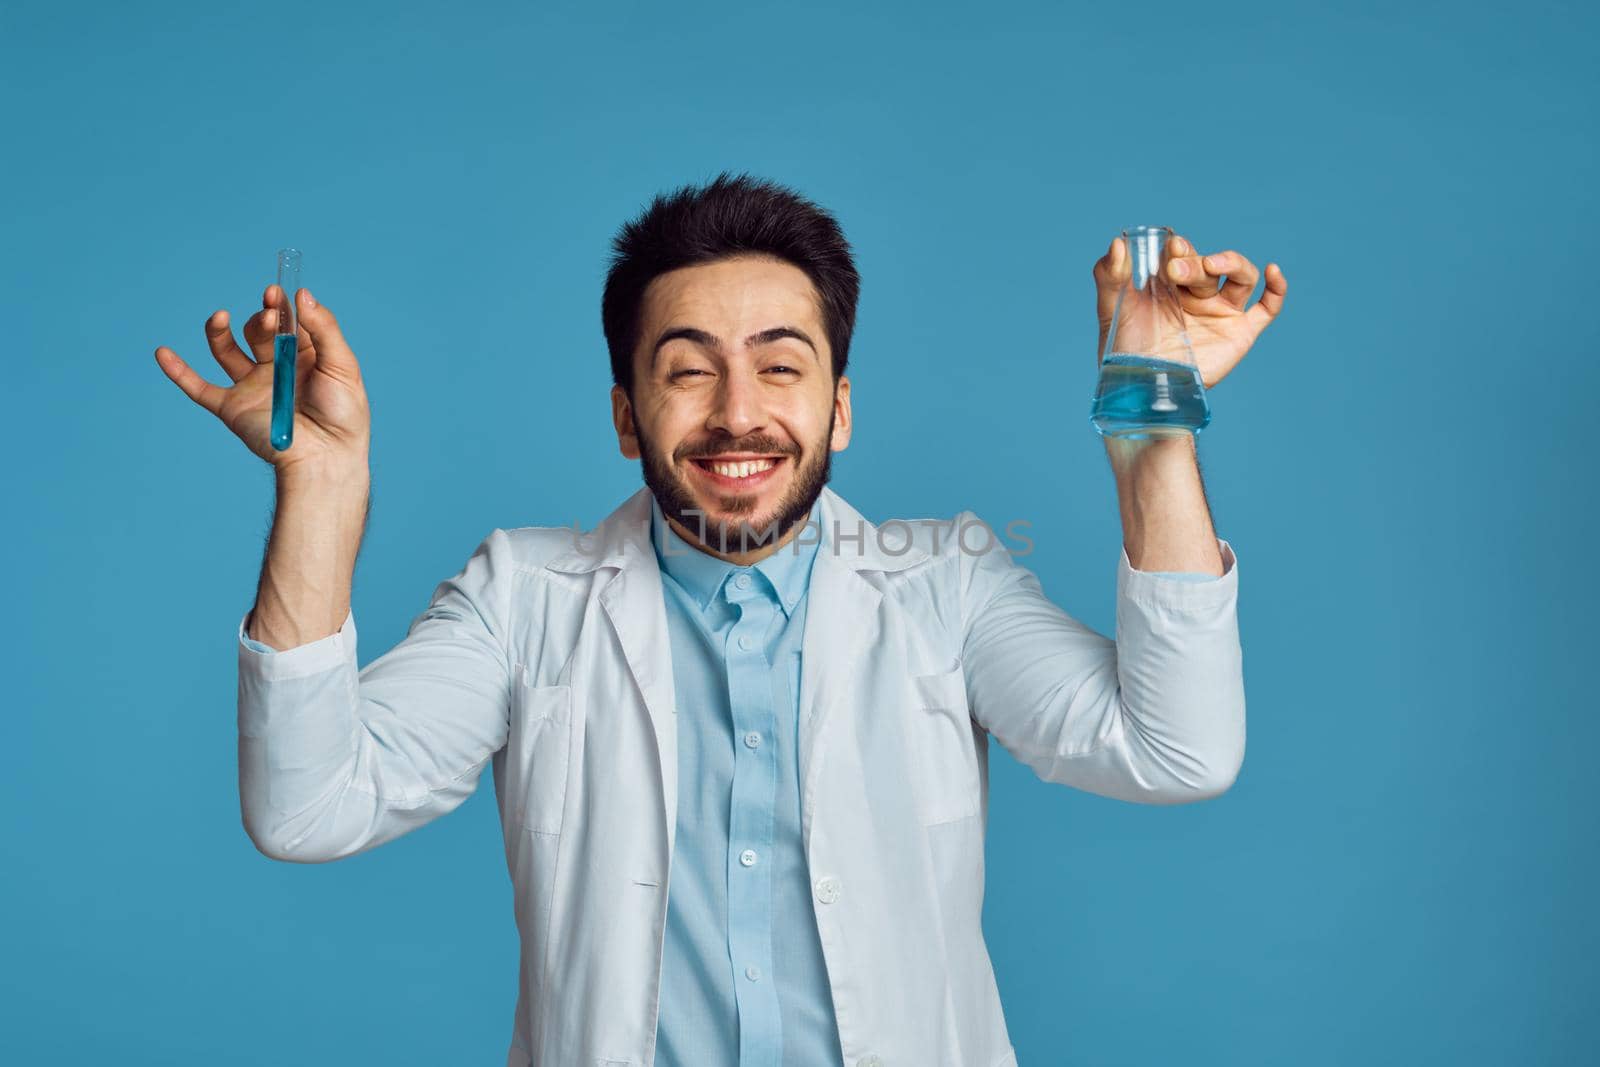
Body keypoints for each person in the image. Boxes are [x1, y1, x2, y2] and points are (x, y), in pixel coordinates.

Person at [155, 172, 1288, 1067]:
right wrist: (320, 488)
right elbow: (305, 808)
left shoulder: (947, 584)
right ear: (623, 413)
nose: (737, 414)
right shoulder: (522, 598)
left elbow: (1173, 749)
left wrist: (1155, 427)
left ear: (838, 408)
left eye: (781, 368)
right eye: (686, 371)